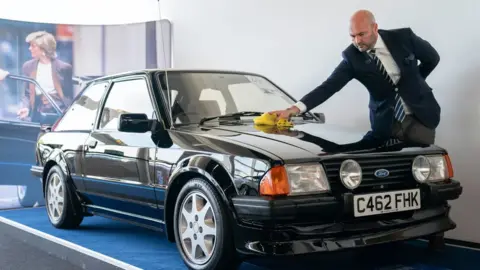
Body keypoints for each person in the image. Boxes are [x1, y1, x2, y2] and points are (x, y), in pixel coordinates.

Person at [271, 10, 441, 145]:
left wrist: (414, 82)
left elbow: (432, 58)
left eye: (362, 34)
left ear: (375, 28)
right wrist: (293, 109)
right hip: (386, 124)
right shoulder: (352, 57)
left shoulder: (404, 37)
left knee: (422, 168)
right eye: (352, 36)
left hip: (420, 116)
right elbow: (329, 87)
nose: (357, 41)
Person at [17, 31, 73, 121]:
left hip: (58, 113)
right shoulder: (28, 66)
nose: (29, 48)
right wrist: (26, 108)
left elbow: (69, 95)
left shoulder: (64, 68)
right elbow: (27, 93)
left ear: (44, 49)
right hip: (37, 113)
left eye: (33, 46)